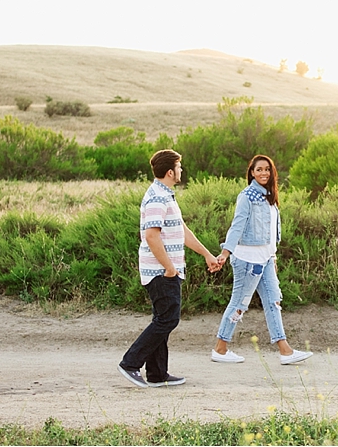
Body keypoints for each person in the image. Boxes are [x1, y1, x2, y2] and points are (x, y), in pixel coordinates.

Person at [118, 149, 220, 388]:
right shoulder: (156, 197)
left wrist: (206, 254)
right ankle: (130, 363)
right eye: (179, 167)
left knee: (163, 318)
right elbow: (151, 236)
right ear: (170, 171)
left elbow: (182, 231)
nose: (181, 171)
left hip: (167, 269)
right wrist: (169, 268)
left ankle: (157, 374)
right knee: (168, 319)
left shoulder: (166, 195)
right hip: (161, 271)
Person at [211, 155, 313, 365]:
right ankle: (220, 349)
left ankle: (285, 351)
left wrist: (272, 256)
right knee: (239, 303)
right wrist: (225, 253)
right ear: (252, 172)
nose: (263, 173)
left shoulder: (270, 196)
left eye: (267, 169)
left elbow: (269, 232)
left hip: (265, 259)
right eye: (259, 170)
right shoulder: (247, 196)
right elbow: (237, 226)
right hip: (247, 259)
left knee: (273, 301)